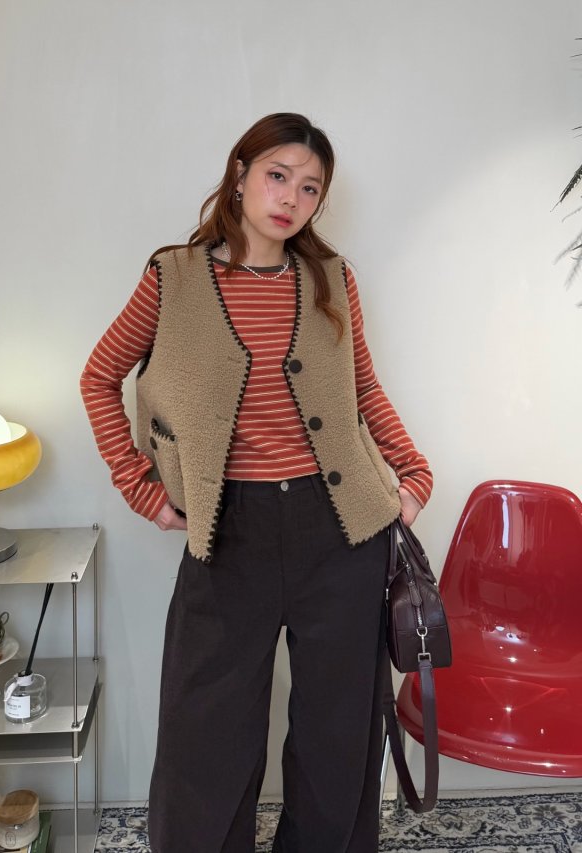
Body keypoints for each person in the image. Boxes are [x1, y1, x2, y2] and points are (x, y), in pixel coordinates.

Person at [81, 112, 432, 853]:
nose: (291, 199)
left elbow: (363, 388)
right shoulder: (173, 276)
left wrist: (413, 470)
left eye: (310, 188)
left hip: (340, 529)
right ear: (239, 176)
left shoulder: (331, 279)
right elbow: (98, 376)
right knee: (204, 730)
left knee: (338, 731)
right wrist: (141, 487)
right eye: (278, 176)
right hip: (225, 529)